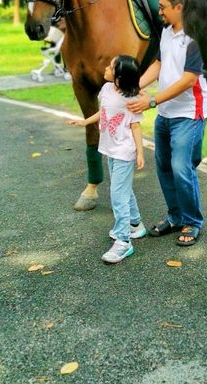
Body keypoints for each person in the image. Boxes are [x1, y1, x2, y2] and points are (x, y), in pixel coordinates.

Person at [127, 0, 207, 247]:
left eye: (163, 7)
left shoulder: (196, 36)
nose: (159, 10)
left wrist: (151, 100)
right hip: (166, 112)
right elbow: (160, 64)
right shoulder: (165, 32)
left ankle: (192, 221)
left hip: (189, 112)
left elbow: (188, 80)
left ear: (180, 7)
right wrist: (135, 86)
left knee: (181, 167)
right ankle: (175, 216)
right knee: (163, 166)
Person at [69, 55, 146, 264]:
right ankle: (135, 224)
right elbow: (102, 113)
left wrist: (140, 152)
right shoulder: (106, 89)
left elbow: (135, 127)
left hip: (124, 151)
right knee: (123, 189)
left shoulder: (130, 100)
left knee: (118, 195)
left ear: (120, 77)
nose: (106, 68)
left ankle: (123, 242)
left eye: (111, 67)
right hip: (110, 149)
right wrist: (85, 121)